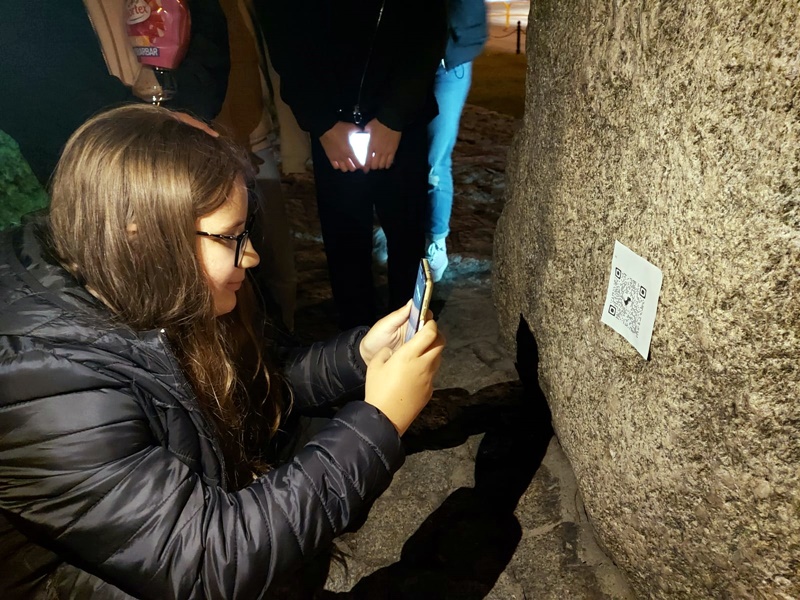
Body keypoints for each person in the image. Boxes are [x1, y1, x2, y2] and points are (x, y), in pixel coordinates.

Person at [0, 104, 445, 599]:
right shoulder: (46, 380)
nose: (251, 256)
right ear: (141, 235)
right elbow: (207, 561)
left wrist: (358, 356)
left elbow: (248, 388)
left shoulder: (126, 278)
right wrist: (378, 421)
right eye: (232, 237)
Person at [255, 0, 448, 330]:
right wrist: (323, 123)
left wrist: (395, 117)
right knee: (344, 243)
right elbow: (285, 41)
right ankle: (356, 342)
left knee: (407, 234)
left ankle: (409, 331)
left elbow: (427, 30)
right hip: (333, 121)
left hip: (400, 121)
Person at [425, 0, 489, 282]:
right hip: (403, 60)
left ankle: (436, 243)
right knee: (397, 157)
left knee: (434, 161)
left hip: (447, 63)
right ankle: (396, 232)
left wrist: (459, 42)